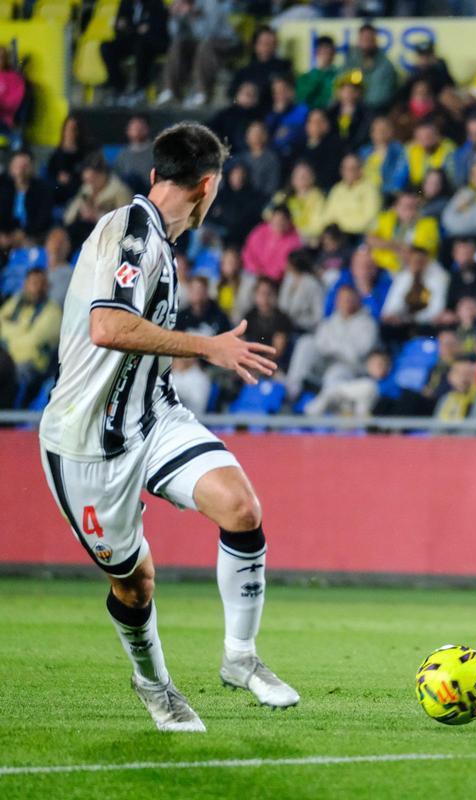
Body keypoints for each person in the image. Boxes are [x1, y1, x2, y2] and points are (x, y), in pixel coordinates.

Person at [37, 122, 299, 732]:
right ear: (207, 187)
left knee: (240, 507)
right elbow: (108, 326)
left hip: (152, 416)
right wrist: (206, 348)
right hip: (86, 443)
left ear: (157, 174)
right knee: (135, 584)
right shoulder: (133, 235)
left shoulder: (158, 237)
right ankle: (155, 684)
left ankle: (240, 658)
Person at [0, 267, 61, 388]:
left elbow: (33, 343)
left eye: (40, 283)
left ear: (46, 286)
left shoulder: (53, 312)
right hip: (5, 359)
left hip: (30, 366)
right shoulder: (15, 303)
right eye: (32, 283)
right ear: (25, 284)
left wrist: (6, 344)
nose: (35, 288)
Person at [101, 0, 167, 104]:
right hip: (131, 38)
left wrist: (130, 26)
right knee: (106, 47)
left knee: (141, 46)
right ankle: (119, 88)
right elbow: (120, 25)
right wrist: (119, 26)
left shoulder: (155, 3)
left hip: (151, 41)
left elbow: (155, 26)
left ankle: (141, 88)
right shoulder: (126, 3)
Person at [318, 154, 381, 237]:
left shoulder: (370, 189)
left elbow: (368, 220)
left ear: (360, 169)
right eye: (345, 168)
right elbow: (327, 216)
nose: (349, 172)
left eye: (353, 168)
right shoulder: (337, 189)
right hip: (337, 235)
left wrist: (340, 224)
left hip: (359, 236)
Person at [0, 149, 54, 238]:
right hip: (4, 236)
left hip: (32, 236)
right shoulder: (2, 186)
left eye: (25, 166)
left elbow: (42, 220)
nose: (21, 170)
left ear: (32, 167)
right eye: (17, 166)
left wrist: (24, 234)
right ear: (11, 167)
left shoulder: (43, 189)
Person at [113, 115, 155, 196]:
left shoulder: (155, 151)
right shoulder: (123, 154)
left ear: (147, 129)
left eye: (140, 128)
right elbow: (116, 177)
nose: (137, 131)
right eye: (134, 128)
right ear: (128, 131)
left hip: (149, 192)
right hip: (126, 194)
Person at [296, 35, 339, 112]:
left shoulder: (340, 76)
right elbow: (302, 98)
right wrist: (319, 70)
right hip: (312, 116)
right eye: (322, 51)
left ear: (334, 53)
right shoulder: (305, 78)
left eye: (328, 51)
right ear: (316, 53)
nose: (325, 54)